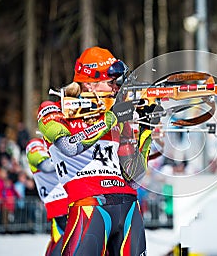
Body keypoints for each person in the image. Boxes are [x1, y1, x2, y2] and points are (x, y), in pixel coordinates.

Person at [37, 46, 154, 256]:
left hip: (128, 208)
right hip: (89, 206)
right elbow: (69, 146)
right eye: (111, 82)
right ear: (90, 83)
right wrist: (109, 119)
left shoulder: (116, 119)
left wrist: (148, 126)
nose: (115, 89)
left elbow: (134, 176)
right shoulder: (54, 109)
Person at [26, 138, 68, 255]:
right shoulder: (35, 143)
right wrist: (71, 156)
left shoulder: (60, 143)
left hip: (74, 199)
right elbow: (46, 166)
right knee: (64, 243)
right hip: (59, 203)